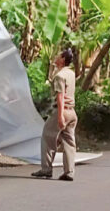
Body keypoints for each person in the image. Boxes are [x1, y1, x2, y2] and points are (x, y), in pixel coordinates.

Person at [31, 49, 77, 181]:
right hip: (72, 112)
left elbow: (60, 97)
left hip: (62, 111)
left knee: (47, 136)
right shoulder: (71, 73)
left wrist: (60, 116)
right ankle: (69, 172)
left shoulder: (60, 76)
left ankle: (46, 169)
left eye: (58, 56)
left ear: (62, 59)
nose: (55, 58)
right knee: (69, 141)